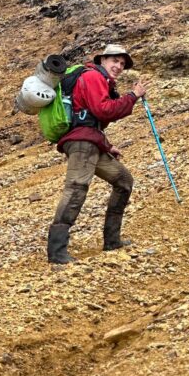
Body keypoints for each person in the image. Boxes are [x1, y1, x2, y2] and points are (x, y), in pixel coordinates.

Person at [47, 44, 147, 264]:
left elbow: (93, 120)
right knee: (76, 189)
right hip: (82, 144)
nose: (118, 66)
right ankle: (57, 251)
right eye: (115, 61)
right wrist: (133, 96)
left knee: (124, 181)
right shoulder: (93, 77)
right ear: (102, 60)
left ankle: (112, 240)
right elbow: (104, 110)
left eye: (122, 63)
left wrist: (107, 146)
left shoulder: (99, 79)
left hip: (91, 141)